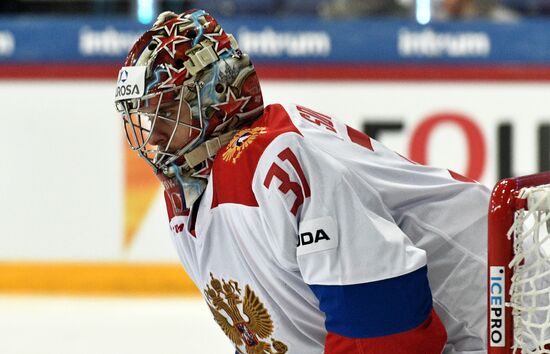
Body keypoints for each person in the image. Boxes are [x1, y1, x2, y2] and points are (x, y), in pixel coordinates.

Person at [115, 9, 489, 354]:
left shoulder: (271, 158)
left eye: (167, 112)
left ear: (213, 97)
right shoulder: (189, 197)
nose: (155, 137)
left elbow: (386, 324)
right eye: (149, 116)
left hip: (502, 303)